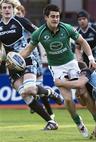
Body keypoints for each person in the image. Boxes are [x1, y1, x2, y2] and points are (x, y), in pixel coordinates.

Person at [20, 4, 96, 138]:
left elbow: (83, 42)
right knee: (67, 100)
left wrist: (91, 58)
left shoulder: (66, 28)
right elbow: (27, 50)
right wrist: (16, 59)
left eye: (57, 16)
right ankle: (78, 122)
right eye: (52, 16)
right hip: (56, 68)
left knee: (83, 95)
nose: (56, 19)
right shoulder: (39, 33)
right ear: (46, 18)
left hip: (71, 64)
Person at [0, 0, 62, 130]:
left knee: (30, 89)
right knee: (24, 94)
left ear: (13, 9)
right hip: (12, 65)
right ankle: (51, 122)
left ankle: (51, 92)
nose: (6, 10)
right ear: (0, 10)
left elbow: (40, 33)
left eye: (9, 7)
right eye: (4, 8)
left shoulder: (21, 21)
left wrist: (50, 49)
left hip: (27, 59)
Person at [15, 4, 56, 120]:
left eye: (19, 14)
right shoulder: (13, 27)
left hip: (33, 59)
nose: (17, 16)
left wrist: (47, 49)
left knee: (37, 88)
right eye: (16, 14)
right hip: (18, 61)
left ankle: (50, 114)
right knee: (28, 89)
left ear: (23, 14)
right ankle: (37, 103)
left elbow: (40, 34)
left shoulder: (25, 24)